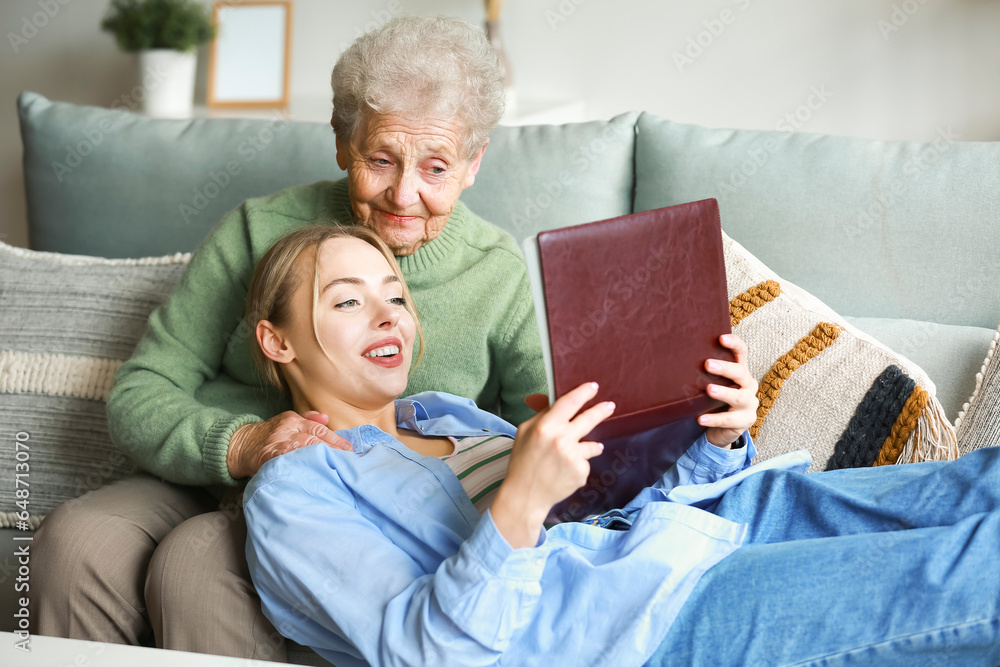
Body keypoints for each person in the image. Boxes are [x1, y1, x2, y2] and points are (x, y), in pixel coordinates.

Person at [243, 224, 1000, 667]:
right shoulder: (294, 490)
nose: (388, 315)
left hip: (724, 514)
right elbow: (431, 653)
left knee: (983, 485)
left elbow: (605, 516)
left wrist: (717, 437)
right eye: (349, 300)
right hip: (646, 620)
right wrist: (520, 501)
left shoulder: (445, 414)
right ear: (275, 341)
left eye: (396, 295)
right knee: (969, 573)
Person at [31, 16, 545, 661]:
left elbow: (545, 424)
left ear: (474, 164)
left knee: (199, 565)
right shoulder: (258, 230)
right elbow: (144, 389)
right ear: (342, 143)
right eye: (380, 160)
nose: (404, 195)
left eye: (436, 167)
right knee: (74, 545)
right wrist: (241, 445)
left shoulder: (497, 271)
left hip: (359, 503)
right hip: (207, 470)